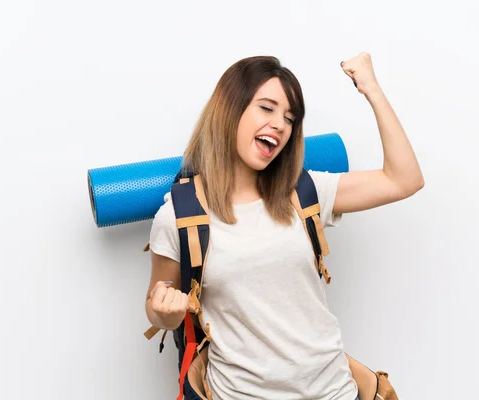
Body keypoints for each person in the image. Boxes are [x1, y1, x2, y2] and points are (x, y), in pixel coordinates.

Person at [145, 52, 424, 400]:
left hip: (334, 391)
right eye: (266, 108)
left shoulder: (304, 192)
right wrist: (163, 312)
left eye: (290, 118)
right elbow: (162, 311)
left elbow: (404, 180)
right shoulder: (179, 215)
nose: (280, 124)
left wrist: (371, 88)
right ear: (229, 109)